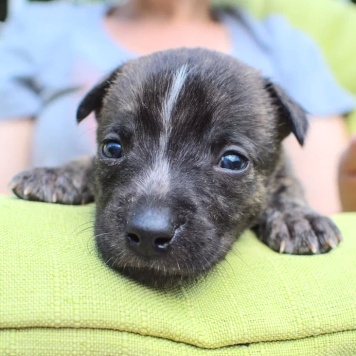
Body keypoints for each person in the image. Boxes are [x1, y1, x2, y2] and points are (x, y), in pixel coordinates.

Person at [0, 0, 354, 215]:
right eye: (113, 147)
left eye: (231, 160)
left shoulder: (285, 45)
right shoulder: (38, 32)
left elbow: (323, 211)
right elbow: (8, 201)